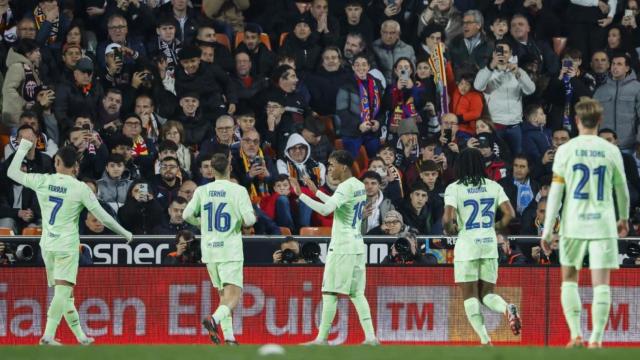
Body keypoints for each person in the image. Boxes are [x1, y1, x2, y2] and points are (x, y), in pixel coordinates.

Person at [7, 139, 132, 346]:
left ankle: (81, 336)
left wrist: (21, 148)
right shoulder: (80, 188)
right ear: (76, 166)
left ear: (56, 161)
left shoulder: (42, 180)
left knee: (65, 295)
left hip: (47, 245)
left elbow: (12, 172)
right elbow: (103, 216)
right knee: (62, 292)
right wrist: (125, 232)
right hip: (66, 247)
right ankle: (47, 336)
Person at [541, 97, 630, 348]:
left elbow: (556, 193)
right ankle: (597, 340)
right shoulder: (610, 149)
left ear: (576, 121)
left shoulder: (566, 150)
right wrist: (623, 218)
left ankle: (575, 335)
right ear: (599, 120)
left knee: (569, 278)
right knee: (601, 283)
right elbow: (621, 189)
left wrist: (548, 230)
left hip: (573, 223)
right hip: (602, 223)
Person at [290, 150, 378, 345]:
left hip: (342, 246)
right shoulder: (358, 185)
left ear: (343, 166)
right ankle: (371, 338)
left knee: (329, 291)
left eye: (331, 165)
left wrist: (301, 196)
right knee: (357, 293)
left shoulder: (345, 187)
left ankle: (321, 339)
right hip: (356, 244)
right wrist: (316, 191)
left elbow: (326, 209)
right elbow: (338, 204)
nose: (329, 169)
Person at [442, 148, 521, 346]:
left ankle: (485, 340)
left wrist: (451, 230)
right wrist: (494, 227)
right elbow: (510, 214)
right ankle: (507, 308)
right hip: (488, 244)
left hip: (467, 245)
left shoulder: (455, 188)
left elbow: (447, 219)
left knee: (470, 296)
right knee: (487, 294)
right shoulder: (493, 186)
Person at [183, 152, 257, 346]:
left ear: (211, 170)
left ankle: (230, 338)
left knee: (224, 296)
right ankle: (213, 320)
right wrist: (240, 220)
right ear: (230, 168)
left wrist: (200, 223)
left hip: (209, 250)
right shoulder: (238, 190)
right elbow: (249, 220)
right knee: (234, 296)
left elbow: (186, 214)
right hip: (229, 249)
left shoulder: (202, 190)